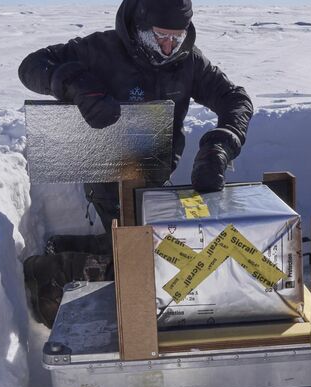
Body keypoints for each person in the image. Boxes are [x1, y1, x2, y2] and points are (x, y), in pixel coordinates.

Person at [18, 0, 253, 326]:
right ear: (140, 26)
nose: (170, 47)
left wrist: (221, 145)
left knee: (166, 256)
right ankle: (48, 271)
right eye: (160, 37)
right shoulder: (100, 50)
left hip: (154, 176)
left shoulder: (188, 60)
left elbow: (236, 99)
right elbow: (31, 66)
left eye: (178, 37)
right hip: (105, 174)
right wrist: (76, 84)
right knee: (146, 265)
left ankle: (76, 247)